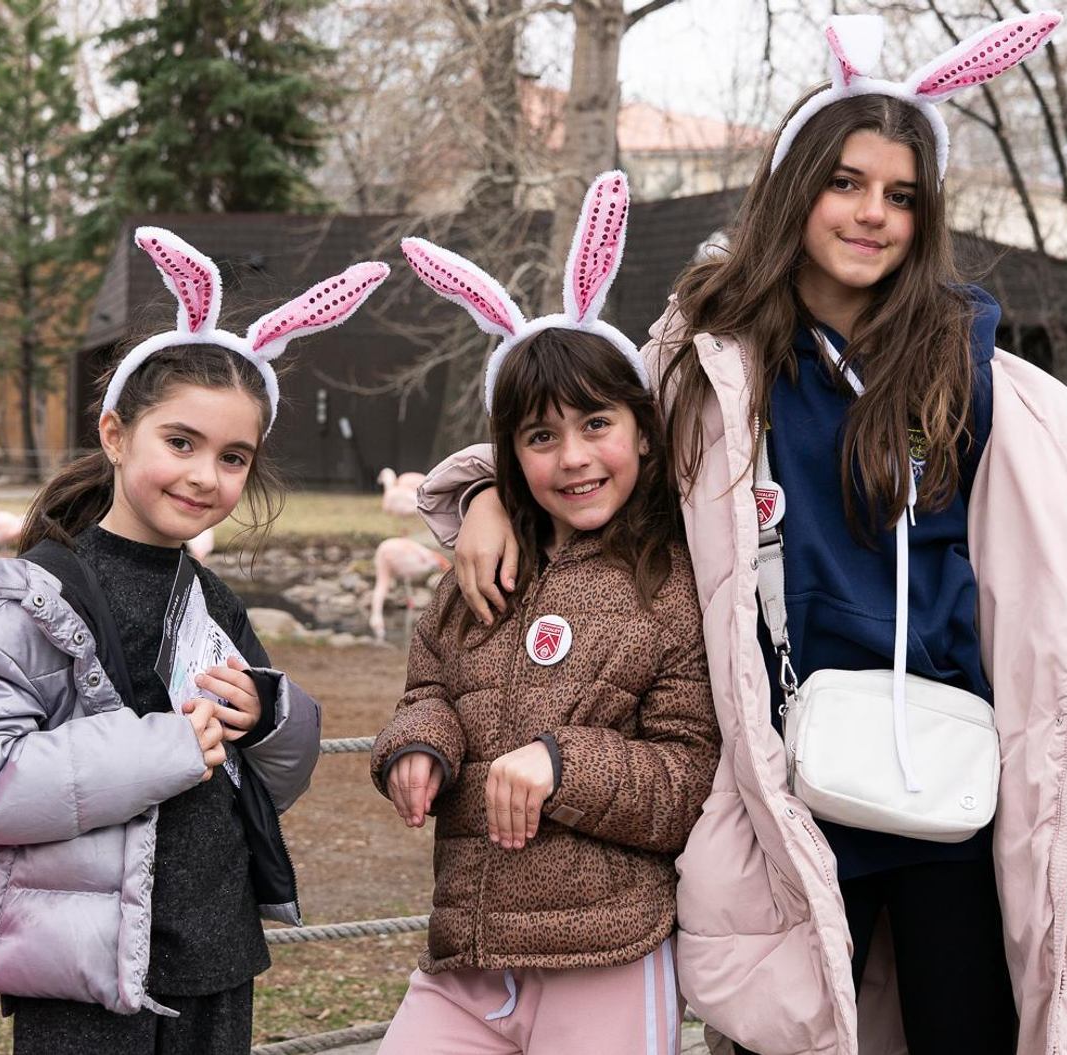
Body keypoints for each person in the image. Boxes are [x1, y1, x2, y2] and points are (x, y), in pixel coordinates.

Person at [417, 14, 1067, 1055]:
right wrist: (490, 496)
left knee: (969, 1030)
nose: (873, 214)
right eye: (846, 183)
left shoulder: (975, 372)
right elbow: (577, 436)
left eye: (901, 194)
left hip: (951, 777)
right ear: (796, 188)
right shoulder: (706, 358)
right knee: (785, 1039)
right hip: (784, 783)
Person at [0, 228, 386, 1055]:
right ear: (116, 433)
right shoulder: (22, 599)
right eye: (181, 443)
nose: (206, 476)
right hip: (88, 970)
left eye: (234, 457)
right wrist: (162, 747)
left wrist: (271, 715)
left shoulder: (214, 600)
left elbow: (273, 781)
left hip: (218, 952)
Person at [371, 171, 720, 1055]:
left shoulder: (678, 584)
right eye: (538, 437)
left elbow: (690, 783)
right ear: (508, 454)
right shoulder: (480, 568)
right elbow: (430, 688)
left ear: (641, 427)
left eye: (595, 423)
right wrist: (419, 745)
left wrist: (565, 763)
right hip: (465, 960)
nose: (573, 457)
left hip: (609, 955)